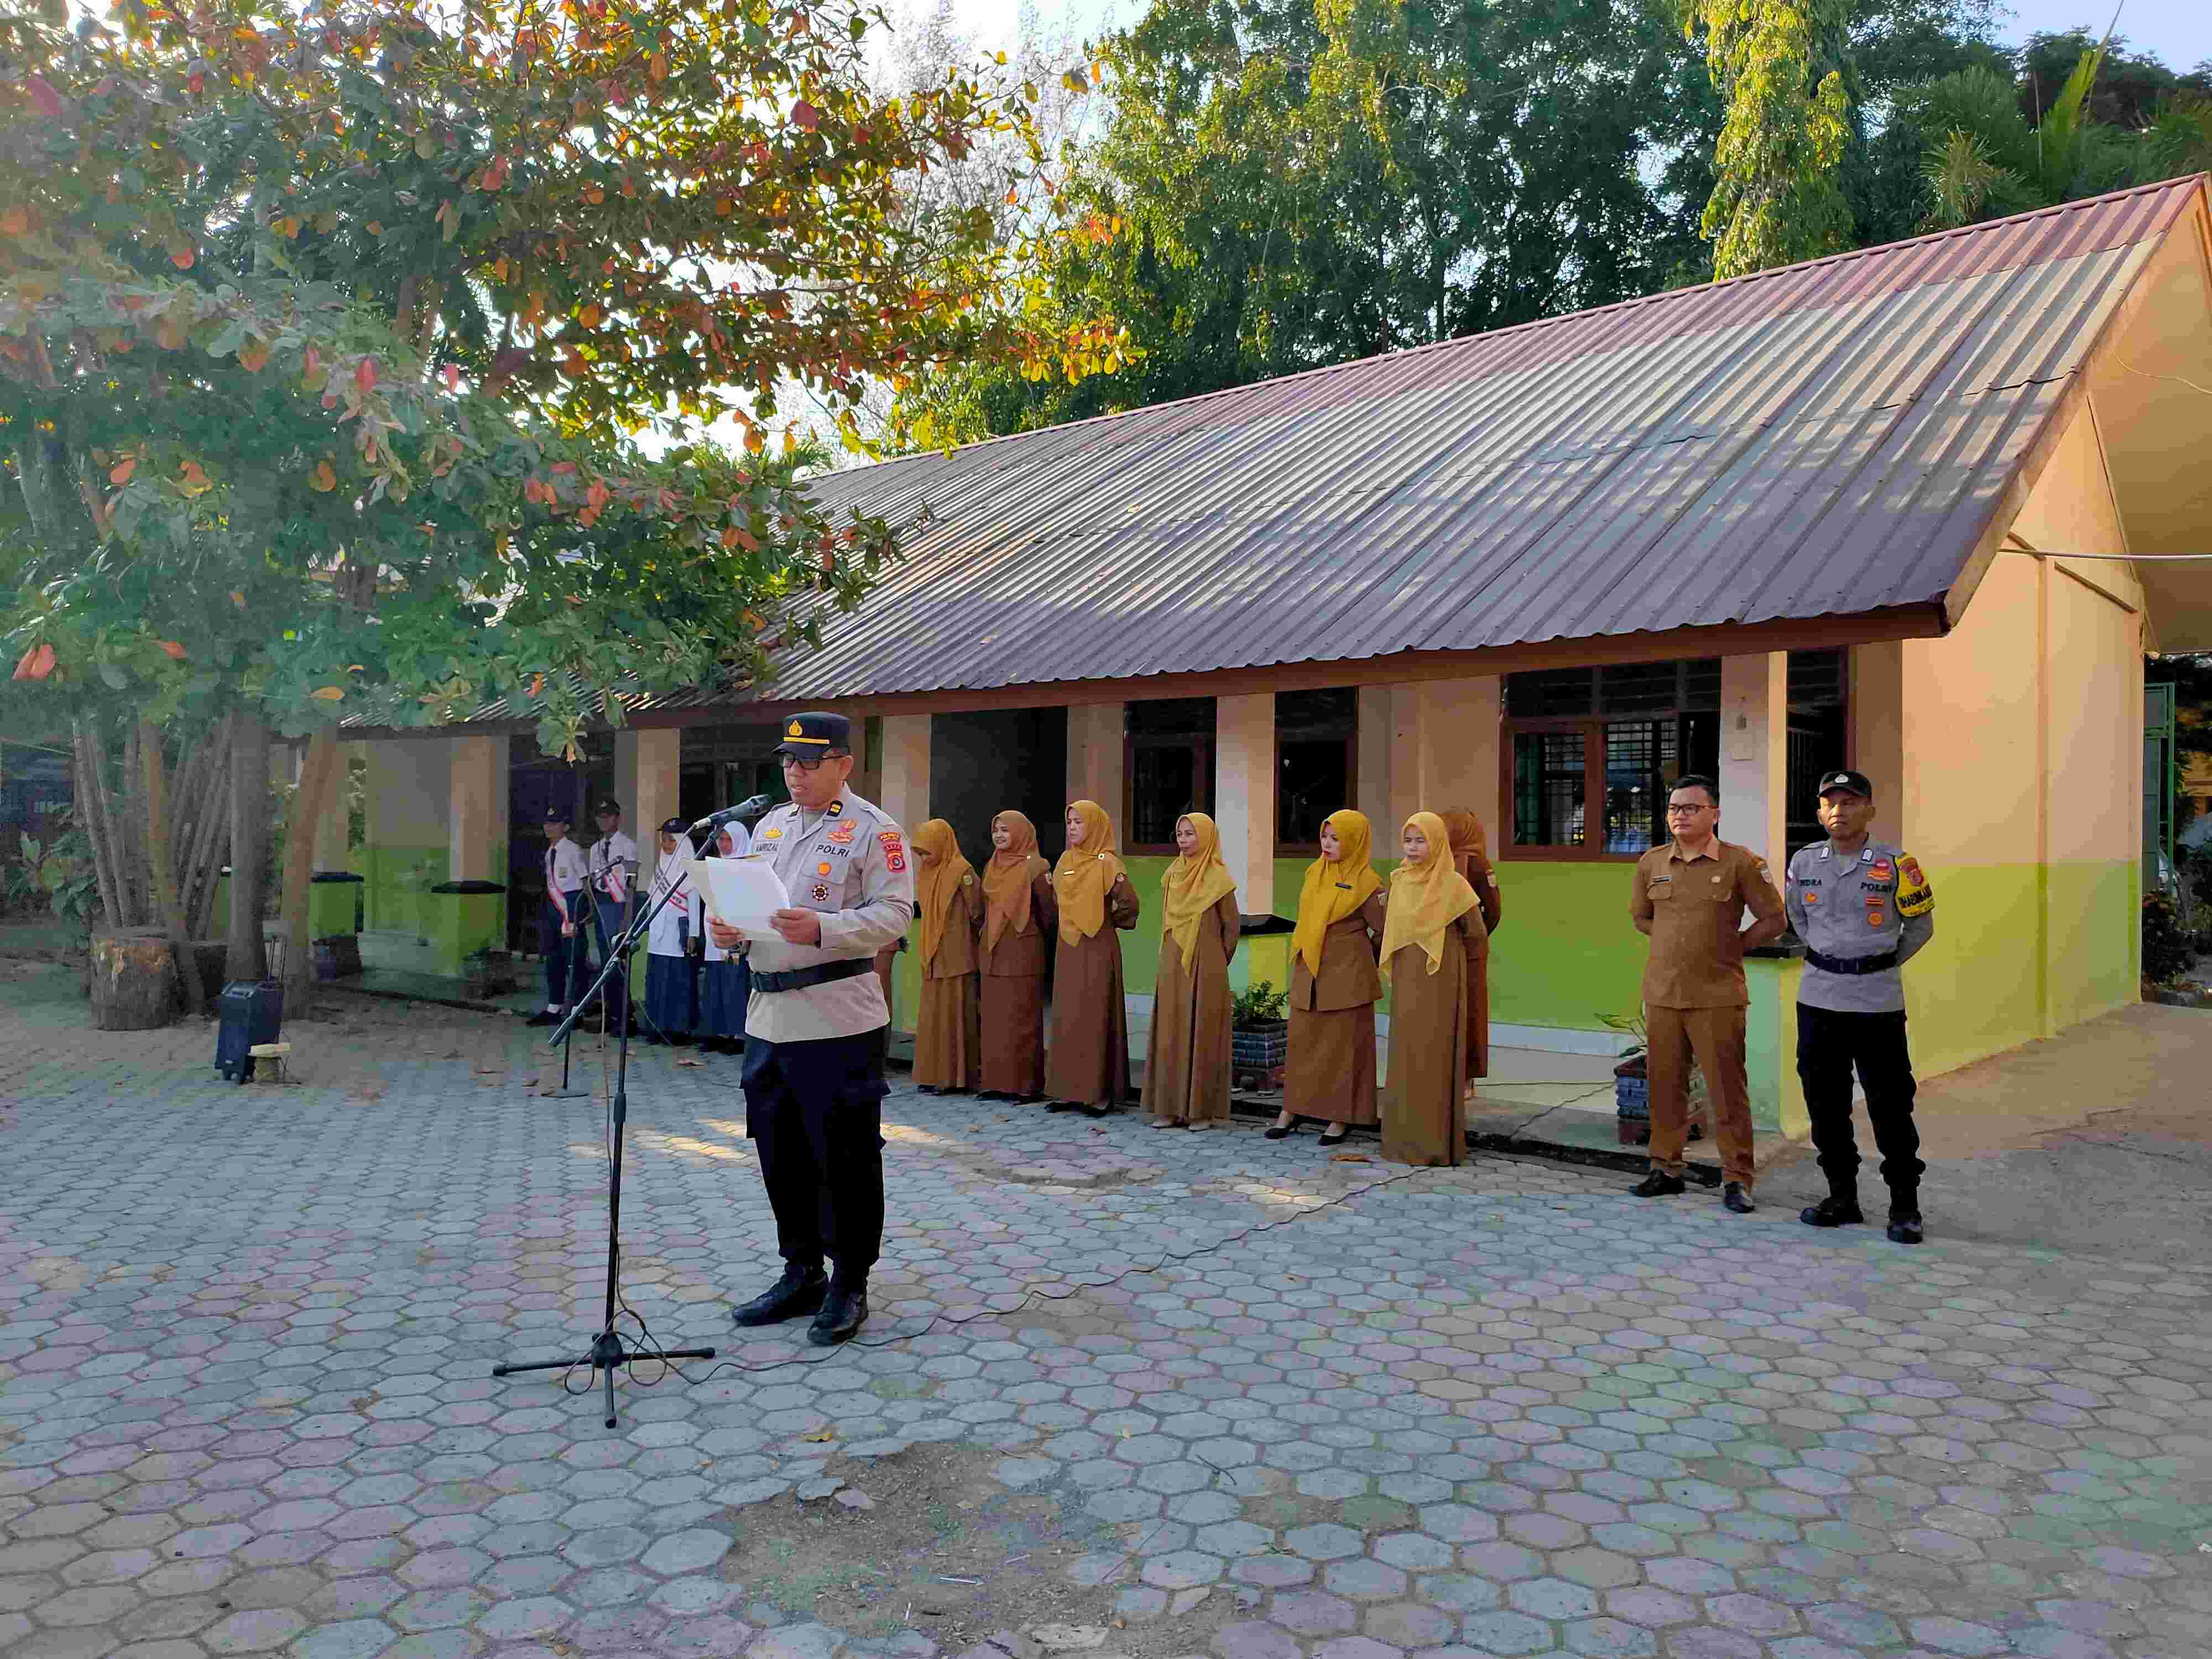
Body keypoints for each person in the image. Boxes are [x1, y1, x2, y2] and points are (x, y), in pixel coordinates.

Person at [708, 713, 912, 1345]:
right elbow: (755, 910)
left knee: (844, 1157)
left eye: (808, 761)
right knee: (782, 1152)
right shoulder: (769, 826)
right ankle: (801, 1272)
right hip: (768, 1017)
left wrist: (824, 928)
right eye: (788, 761)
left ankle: (850, 1281)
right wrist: (732, 933)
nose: (793, 772)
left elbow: (896, 914)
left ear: (843, 765)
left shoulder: (875, 831)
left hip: (837, 1018)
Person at [1785, 770, 1936, 1244]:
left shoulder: (1898, 864)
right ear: (1819, 812)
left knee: (1890, 1105)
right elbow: (1798, 918)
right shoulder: (1804, 861)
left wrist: (1873, 963)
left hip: (1877, 1003)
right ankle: (1842, 1198)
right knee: (1825, 1105)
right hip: (1818, 1000)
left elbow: (1920, 928)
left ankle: (1905, 1207)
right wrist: (1834, 959)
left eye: (1850, 802)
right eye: (1830, 803)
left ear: (1869, 810)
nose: (1839, 811)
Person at [1628, 774, 1787, 1212]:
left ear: (1714, 814)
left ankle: (1737, 1179)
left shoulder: (1741, 863)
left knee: (1726, 1091)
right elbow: (1641, 918)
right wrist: (1676, 941)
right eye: (1674, 808)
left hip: (1717, 994)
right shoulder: (1652, 862)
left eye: (1691, 808)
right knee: (1665, 1087)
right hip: (1663, 993)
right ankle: (1666, 1169)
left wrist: (1734, 946)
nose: (1680, 815)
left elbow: (1775, 919)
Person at [1274, 809, 1386, 1146]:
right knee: (1302, 1045)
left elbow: (1385, 930)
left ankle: (1341, 1116)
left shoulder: (1369, 884)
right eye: (1325, 836)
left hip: (1346, 976)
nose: (1328, 843)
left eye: (1336, 838)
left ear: (1354, 841)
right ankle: (1292, 1110)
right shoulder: (1314, 872)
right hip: (1309, 970)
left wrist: (1362, 956)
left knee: (1343, 1049)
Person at [1379, 811, 1485, 1166]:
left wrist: (1452, 957)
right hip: (1407, 978)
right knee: (1406, 1053)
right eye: (1408, 840)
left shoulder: (1454, 885)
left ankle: (1434, 1144)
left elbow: (1476, 932)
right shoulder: (1400, 881)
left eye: (1421, 840)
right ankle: (1402, 1143)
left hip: (1440, 979)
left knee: (1434, 1053)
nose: (1412, 848)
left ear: (1438, 843)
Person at [1144, 812, 1240, 1130]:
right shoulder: (1172, 874)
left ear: (1207, 837)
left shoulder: (1218, 878)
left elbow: (1231, 927)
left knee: (1202, 1032)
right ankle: (1168, 1108)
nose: (1183, 840)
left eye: (1191, 834)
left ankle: (1200, 1111)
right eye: (1180, 834)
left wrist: (1215, 961)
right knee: (1171, 1030)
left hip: (1206, 963)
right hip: (1173, 960)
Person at [1045, 798, 1140, 1117]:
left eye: (1079, 822)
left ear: (1096, 826)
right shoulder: (1064, 861)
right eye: (1069, 822)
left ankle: (1098, 1094)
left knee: (1095, 1016)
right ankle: (1068, 1091)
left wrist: (1109, 921)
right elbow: (1057, 900)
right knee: (1068, 1016)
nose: (1072, 828)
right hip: (1068, 947)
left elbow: (1129, 904)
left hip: (1098, 946)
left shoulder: (1108, 863)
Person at [976, 810, 1057, 1099]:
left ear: (1021, 833)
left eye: (1006, 830)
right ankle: (996, 1083)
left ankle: (1026, 1086)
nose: (999, 835)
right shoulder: (991, 866)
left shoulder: (1037, 867)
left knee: (1022, 1020)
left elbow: (1049, 913)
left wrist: (1037, 940)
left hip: (1023, 951)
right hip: (993, 951)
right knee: (995, 1020)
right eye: (996, 830)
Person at [911, 818, 983, 1094]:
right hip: (932, 951)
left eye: (928, 851)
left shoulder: (962, 870)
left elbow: (977, 910)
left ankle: (955, 1078)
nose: (924, 858)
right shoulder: (927, 872)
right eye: (920, 853)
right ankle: (931, 1074)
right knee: (933, 1017)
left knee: (955, 1015)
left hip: (957, 953)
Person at [1441, 810, 1503, 1086]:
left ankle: (1468, 1079)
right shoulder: (1438, 860)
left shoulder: (1477, 863)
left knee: (1471, 1011)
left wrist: (1474, 937)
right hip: (1444, 948)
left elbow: (1494, 910)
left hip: (1470, 952)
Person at [528, 806, 591, 1027]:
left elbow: (584, 883)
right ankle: (554, 1007)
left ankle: (576, 1010)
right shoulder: (549, 852)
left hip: (570, 907)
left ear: (565, 827)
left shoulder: (573, 850)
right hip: (553, 908)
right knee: (553, 959)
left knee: (574, 959)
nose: (549, 827)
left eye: (554, 824)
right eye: (547, 823)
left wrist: (582, 913)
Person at [693, 820, 750, 1055]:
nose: (724, 844)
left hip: (735, 935)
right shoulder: (715, 865)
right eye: (721, 839)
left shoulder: (747, 867)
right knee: (715, 985)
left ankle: (738, 1035)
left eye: (729, 840)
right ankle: (717, 1032)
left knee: (734, 986)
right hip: (714, 933)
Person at [640, 818, 695, 1046]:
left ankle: (677, 1029)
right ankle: (656, 1026)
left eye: (671, 840)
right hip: (658, 933)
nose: (666, 844)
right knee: (657, 980)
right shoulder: (661, 864)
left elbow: (694, 901)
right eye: (664, 839)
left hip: (677, 933)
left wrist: (694, 933)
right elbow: (652, 897)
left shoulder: (689, 867)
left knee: (676, 982)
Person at [586, 796, 638, 1032]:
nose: (603, 821)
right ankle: (611, 1012)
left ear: (617, 819)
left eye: (607, 817)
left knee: (618, 961)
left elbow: (631, 884)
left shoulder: (627, 846)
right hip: (601, 905)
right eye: (600, 817)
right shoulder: (595, 848)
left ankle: (625, 1016)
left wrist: (627, 918)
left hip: (619, 906)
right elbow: (592, 881)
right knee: (605, 962)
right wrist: (592, 909)